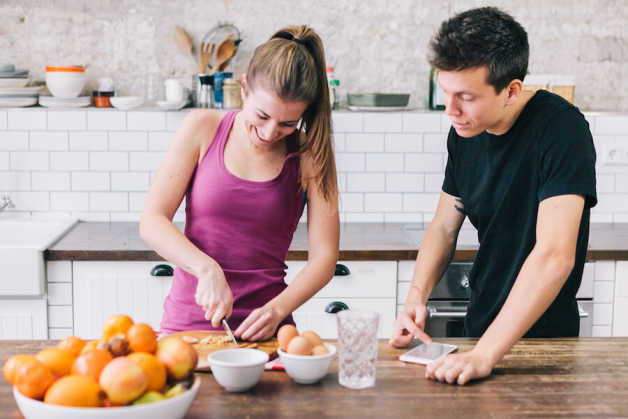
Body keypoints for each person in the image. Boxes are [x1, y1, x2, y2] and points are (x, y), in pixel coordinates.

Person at [390, 7, 597, 385]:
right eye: (446, 93)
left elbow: (555, 255)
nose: (451, 110)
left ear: (511, 90)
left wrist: (487, 353)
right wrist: (416, 297)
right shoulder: (465, 132)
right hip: (479, 332)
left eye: (465, 96)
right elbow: (443, 229)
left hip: (544, 346)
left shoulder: (562, 129)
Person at [140, 25, 340, 342]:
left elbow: (324, 259)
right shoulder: (202, 128)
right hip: (190, 323)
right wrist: (206, 269)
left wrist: (276, 311)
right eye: (262, 115)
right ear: (244, 88)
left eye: (288, 123)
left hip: (269, 329)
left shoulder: (310, 154)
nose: (270, 132)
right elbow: (151, 221)